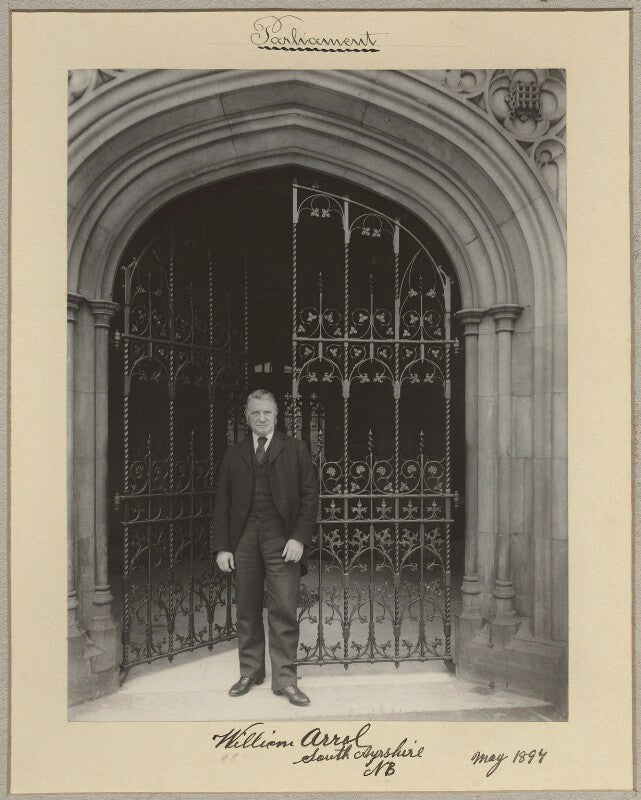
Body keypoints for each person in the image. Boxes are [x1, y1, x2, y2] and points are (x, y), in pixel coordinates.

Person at [213, 389, 319, 706]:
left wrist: (299, 538)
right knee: (246, 608)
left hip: (281, 538)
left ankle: (285, 680)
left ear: (276, 416)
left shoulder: (296, 449)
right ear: (247, 417)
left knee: (283, 608)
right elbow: (222, 503)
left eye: (267, 413)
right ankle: (250, 672)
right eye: (256, 413)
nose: (262, 418)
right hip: (244, 539)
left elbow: (310, 498)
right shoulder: (235, 454)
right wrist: (223, 547)